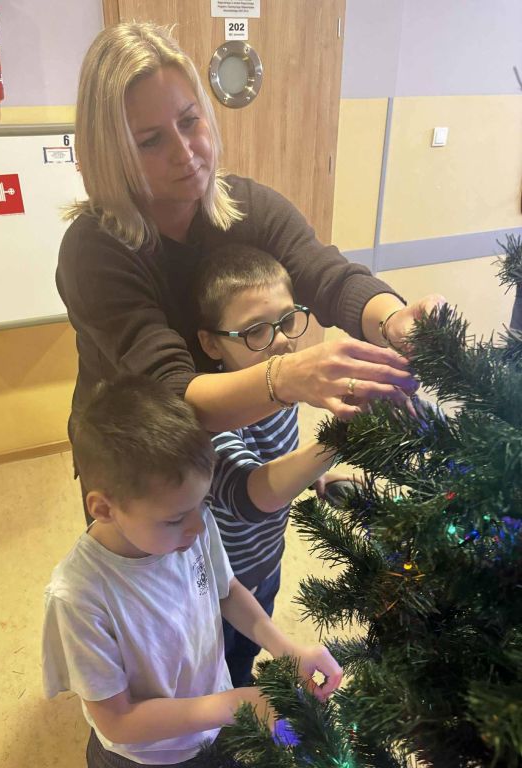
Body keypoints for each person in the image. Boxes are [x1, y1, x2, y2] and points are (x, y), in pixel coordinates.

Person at [58, 22, 443, 468]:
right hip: (134, 456)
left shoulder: (250, 206)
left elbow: (327, 275)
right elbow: (172, 393)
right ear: (111, 153)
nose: (185, 152)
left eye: (189, 121)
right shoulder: (93, 252)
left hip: (228, 439)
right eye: (151, 141)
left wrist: (393, 319)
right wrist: (287, 378)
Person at [42, 375, 343, 768]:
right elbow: (117, 721)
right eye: (174, 518)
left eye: (201, 505)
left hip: (206, 723)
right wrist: (232, 704)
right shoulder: (78, 597)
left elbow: (226, 591)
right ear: (103, 508)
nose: (198, 526)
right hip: (146, 767)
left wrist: (286, 649)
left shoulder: (190, 524)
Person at [196, 243, 355, 686]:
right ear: (211, 343)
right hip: (221, 585)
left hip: (267, 560)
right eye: (255, 331)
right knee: (217, 665)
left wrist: (315, 475)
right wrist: (340, 436)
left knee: (248, 649)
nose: (281, 340)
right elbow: (254, 493)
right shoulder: (212, 420)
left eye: (286, 321)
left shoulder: (284, 390)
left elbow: (278, 460)